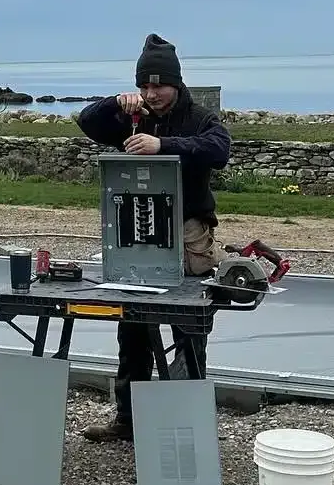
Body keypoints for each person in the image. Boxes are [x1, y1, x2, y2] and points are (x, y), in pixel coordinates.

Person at [74, 34, 231, 442]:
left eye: (157, 85)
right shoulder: (132, 117)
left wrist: (163, 145)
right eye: (144, 86)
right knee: (133, 328)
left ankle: (183, 424)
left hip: (188, 233)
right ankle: (128, 420)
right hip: (137, 232)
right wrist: (115, 103)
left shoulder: (200, 119)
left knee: (188, 330)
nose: (151, 93)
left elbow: (218, 149)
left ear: (176, 84)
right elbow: (87, 122)